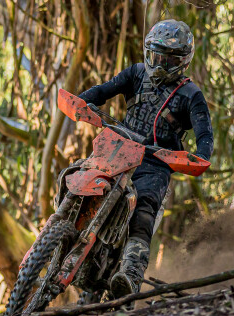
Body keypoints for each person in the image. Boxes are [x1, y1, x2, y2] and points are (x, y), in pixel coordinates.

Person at [77, 19, 214, 299]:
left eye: (169, 59)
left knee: (144, 209)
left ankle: (130, 274)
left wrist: (200, 156)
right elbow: (103, 91)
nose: (160, 64)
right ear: (147, 53)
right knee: (82, 180)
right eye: (156, 56)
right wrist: (81, 101)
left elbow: (205, 134)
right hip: (118, 149)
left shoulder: (191, 95)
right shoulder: (137, 73)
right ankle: (61, 235)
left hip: (155, 163)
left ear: (183, 61)